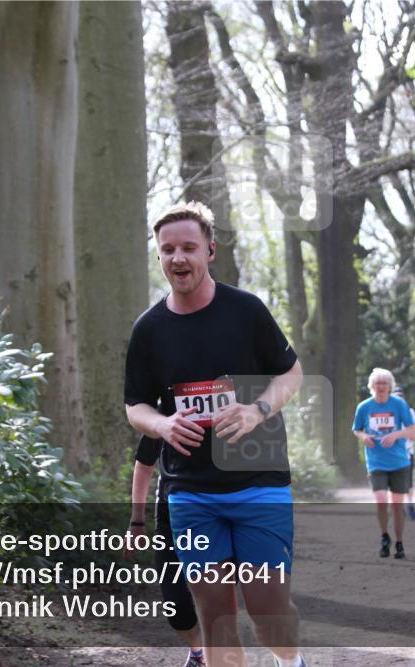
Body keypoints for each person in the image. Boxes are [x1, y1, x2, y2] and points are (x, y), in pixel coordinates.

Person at [124, 201, 306, 667]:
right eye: (168, 250)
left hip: (258, 482)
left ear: (210, 250)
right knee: (217, 622)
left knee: (268, 615)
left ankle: (291, 661)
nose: (178, 258)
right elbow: (135, 406)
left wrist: (258, 409)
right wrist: (161, 423)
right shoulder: (149, 329)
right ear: (159, 256)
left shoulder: (245, 311)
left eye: (188, 247)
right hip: (191, 493)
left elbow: (292, 374)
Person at [126, 436, 205, 667]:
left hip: (219, 515)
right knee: (177, 607)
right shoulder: (163, 412)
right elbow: (144, 464)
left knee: (215, 597)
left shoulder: (225, 408)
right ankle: (198, 651)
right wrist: (137, 522)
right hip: (171, 515)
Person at [351, 369, 415, 559]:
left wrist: (396, 434)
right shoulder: (364, 407)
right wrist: (364, 436)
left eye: (384, 383)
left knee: (397, 505)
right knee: (381, 500)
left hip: (399, 462)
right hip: (376, 462)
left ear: (390, 386)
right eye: (378, 383)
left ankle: (399, 542)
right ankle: (384, 536)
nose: (381, 387)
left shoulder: (399, 404)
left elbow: (412, 430)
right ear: (372, 386)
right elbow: (356, 429)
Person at [392, 386, 415, 520]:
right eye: (396, 396)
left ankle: (410, 505)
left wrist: (410, 434)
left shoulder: (410, 412)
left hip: (407, 452)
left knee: (408, 481)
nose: (399, 398)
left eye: (401, 396)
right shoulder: (389, 413)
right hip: (393, 453)